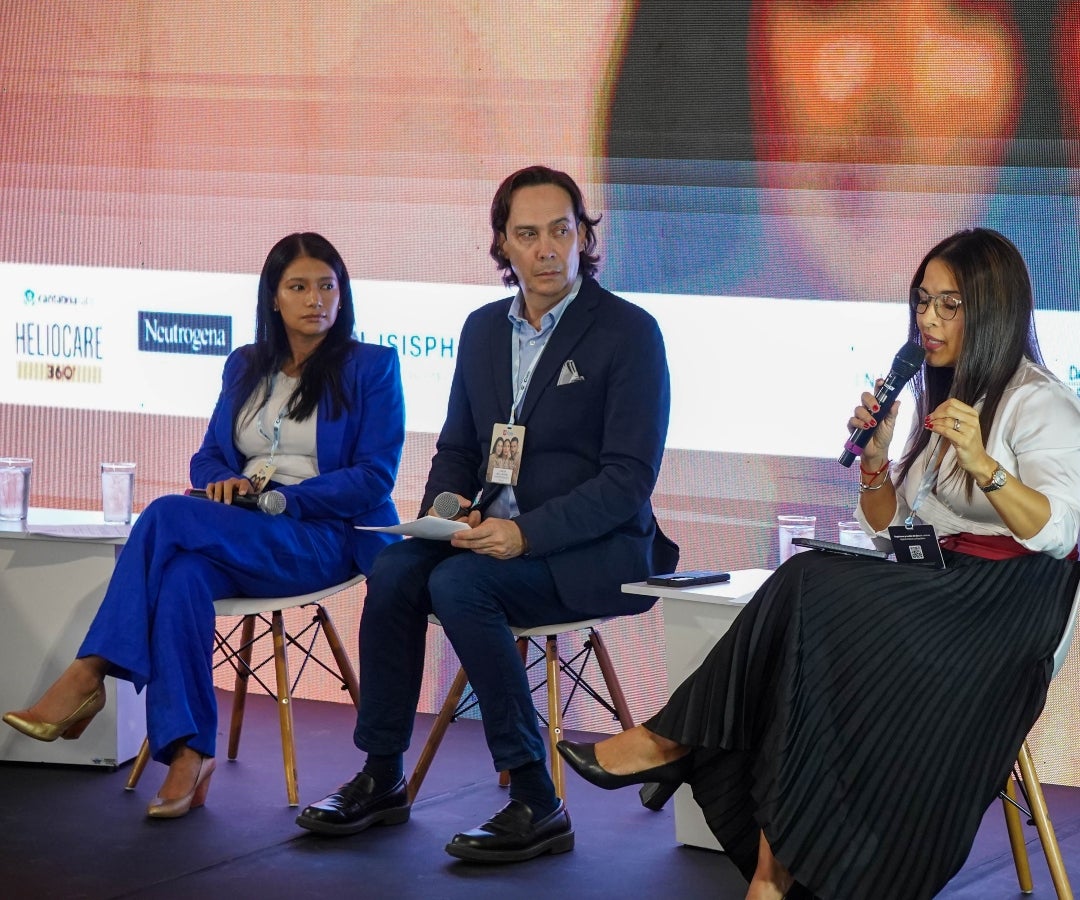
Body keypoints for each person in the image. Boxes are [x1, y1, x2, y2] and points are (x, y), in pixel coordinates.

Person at [556, 228, 1080, 899]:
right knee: (806, 651)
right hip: (939, 592)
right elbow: (898, 526)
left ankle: (671, 744)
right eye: (923, 303)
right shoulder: (941, 395)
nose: (929, 320)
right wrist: (876, 462)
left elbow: (1059, 530)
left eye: (951, 307)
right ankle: (768, 873)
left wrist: (985, 463)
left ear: (995, 311)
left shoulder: (1041, 402)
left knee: (810, 589)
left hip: (1004, 613)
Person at [295, 165, 679, 862]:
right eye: (527, 234)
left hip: (594, 549)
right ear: (502, 245)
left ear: (583, 234)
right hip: (487, 536)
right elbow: (459, 449)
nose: (547, 249)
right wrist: (444, 514)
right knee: (399, 568)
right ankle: (383, 774)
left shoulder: (629, 332)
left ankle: (536, 798)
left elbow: (627, 482)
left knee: (458, 586)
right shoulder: (480, 331)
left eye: (561, 230)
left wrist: (524, 532)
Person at [3, 232, 405, 819]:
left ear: (342, 296)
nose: (315, 299)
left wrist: (281, 499)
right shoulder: (246, 364)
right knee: (184, 578)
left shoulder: (371, 366)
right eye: (298, 287)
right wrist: (228, 483)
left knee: (166, 514)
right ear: (273, 296)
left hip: (323, 534)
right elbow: (208, 458)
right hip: (242, 528)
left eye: (327, 286)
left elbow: (373, 477)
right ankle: (190, 754)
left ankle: (89, 672)